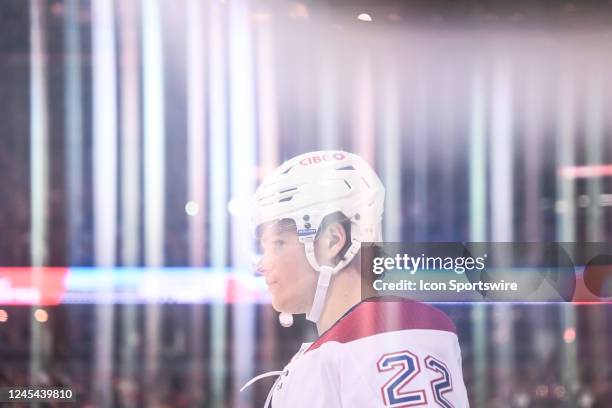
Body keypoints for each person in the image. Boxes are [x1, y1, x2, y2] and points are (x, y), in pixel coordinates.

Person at [242, 150, 469, 407]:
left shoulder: (378, 335)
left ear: (332, 241)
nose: (262, 265)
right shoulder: (344, 343)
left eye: (278, 244)